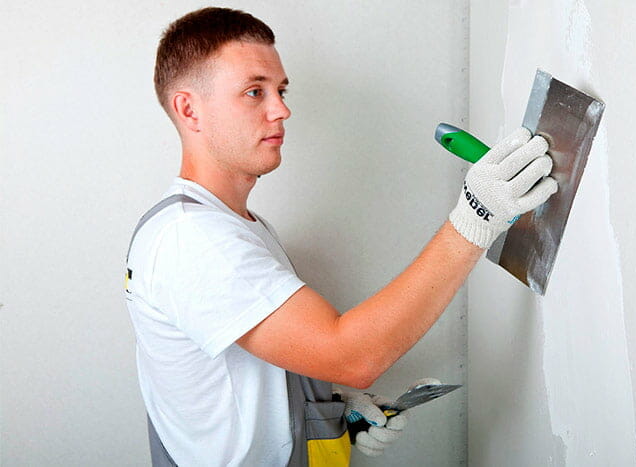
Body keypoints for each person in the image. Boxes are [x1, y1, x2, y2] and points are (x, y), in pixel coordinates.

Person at [124, 7, 557, 467]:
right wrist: (476, 217)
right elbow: (352, 355)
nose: (281, 109)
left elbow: (257, 370)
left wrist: (332, 411)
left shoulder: (232, 226)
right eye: (255, 92)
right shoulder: (194, 239)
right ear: (189, 109)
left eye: (280, 90)